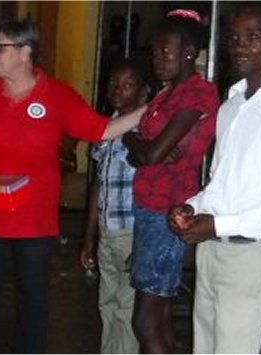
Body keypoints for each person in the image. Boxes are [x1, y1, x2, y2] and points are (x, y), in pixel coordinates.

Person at [0, 19, 144, 353]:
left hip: (33, 219)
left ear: (25, 52)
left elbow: (101, 129)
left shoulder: (56, 95)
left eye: (0, 47)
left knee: (33, 299)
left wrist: (152, 109)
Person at [168, 3, 261, 353]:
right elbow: (220, 182)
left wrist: (218, 225)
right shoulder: (232, 104)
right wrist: (190, 207)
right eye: (234, 37)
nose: (239, 45)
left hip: (250, 258)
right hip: (211, 251)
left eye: (253, 37)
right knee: (203, 347)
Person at [121, 10, 219, 353]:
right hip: (151, 210)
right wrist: (141, 146)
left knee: (145, 320)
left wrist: (137, 145)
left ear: (189, 51)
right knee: (158, 318)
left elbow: (149, 154)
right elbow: (146, 151)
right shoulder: (167, 94)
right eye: (155, 51)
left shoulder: (196, 93)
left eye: (167, 51)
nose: (158, 58)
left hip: (167, 214)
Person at [80, 58, 150, 354]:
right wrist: (89, 238)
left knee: (127, 307)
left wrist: (145, 240)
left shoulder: (147, 132)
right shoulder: (105, 129)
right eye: (113, 83)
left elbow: (153, 191)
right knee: (106, 304)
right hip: (108, 232)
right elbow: (99, 184)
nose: (118, 90)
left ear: (144, 90)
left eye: (127, 85)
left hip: (132, 232)